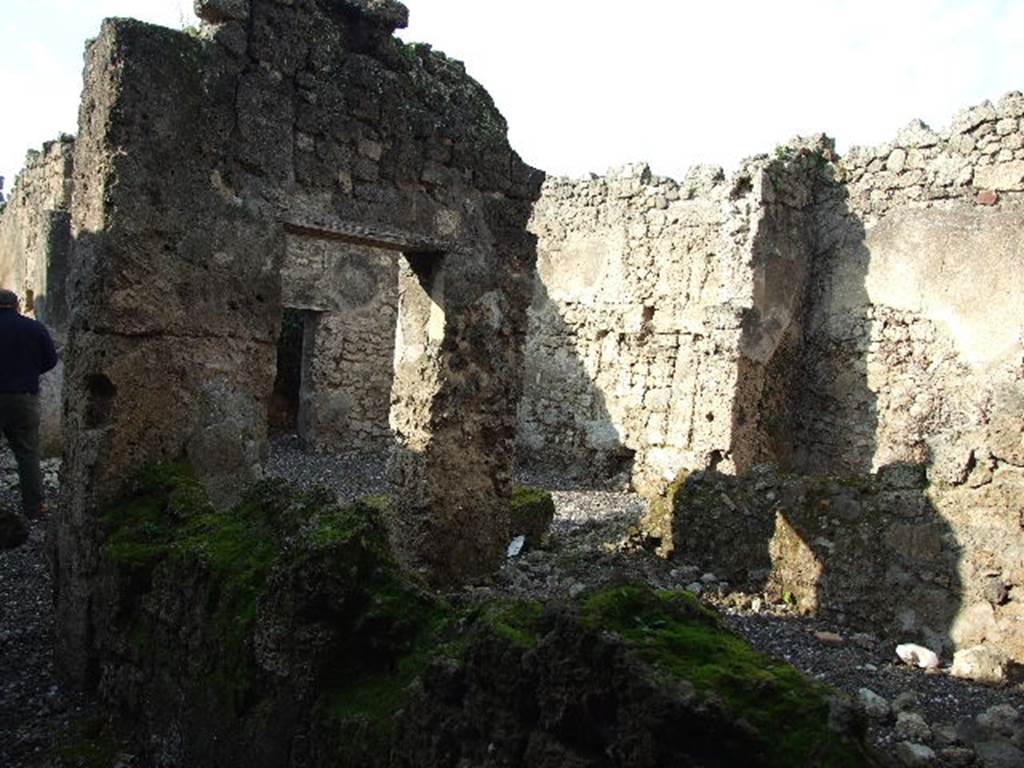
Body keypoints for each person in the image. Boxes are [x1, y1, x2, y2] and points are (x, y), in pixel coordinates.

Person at [0, 289, 58, 520]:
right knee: (27, 453)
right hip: (23, 397)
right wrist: (29, 372)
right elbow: (51, 360)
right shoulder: (34, 328)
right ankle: (34, 507)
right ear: (17, 305)